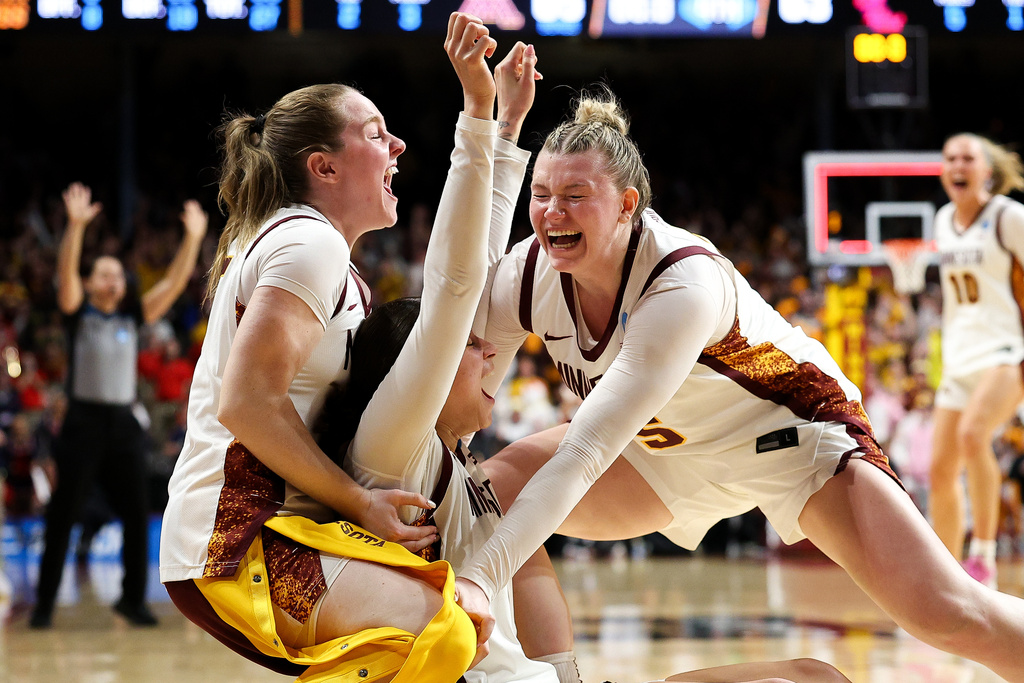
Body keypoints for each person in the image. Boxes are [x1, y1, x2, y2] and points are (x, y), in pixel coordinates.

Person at [312, 45, 848, 683]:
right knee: (812, 680)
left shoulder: (455, 462)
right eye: (465, 349)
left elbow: (473, 281)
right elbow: (455, 287)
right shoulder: (394, 442)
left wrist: (508, 130)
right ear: (415, 373)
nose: (489, 351)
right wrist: (482, 119)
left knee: (816, 675)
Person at [450, 88, 1024, 683]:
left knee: (947, 614)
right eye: (540, 196)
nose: (551, 213)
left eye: (575, 197)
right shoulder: (527, 273)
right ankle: (559, 678)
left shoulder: (682, 279)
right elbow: (462, 385)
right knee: (489, 490)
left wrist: (480, 576)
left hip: (793, 437)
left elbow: (585, 452)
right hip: (666, 453)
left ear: (626, 204)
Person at [159, 13, 516, 681]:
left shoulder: (320, 254)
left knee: (465, 614)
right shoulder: (308, 242)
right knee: (438, 627)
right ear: (323, 166)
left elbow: (464, 285)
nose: (400, 145)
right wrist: (357, 500)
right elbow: (247, 402)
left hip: (275, 534)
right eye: (376, 134)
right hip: (236, 542)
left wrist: (504, 130)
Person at [29, 183, 208, 629]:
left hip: (123, 422)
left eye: (117, 273)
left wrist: (192, 238)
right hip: (82, 420)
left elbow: (171, 284)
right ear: (91, 284)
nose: (114, 279)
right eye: (104, 274)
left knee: (135, 512)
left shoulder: (131, 315)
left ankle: (132, 599)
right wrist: (75, 227)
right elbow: (65, 278)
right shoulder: (78, 314)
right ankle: (44, 605)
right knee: (63, 516)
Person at [928, 132, 1024, 589]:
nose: (958, 165)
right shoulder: (943, 221)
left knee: (973, 435)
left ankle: (983, 557)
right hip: (960, 357)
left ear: (987, 170)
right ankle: (946, 578)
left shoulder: (1009, 217)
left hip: (1006, 351)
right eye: (950, 158)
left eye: (968, 158)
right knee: (940, 470)